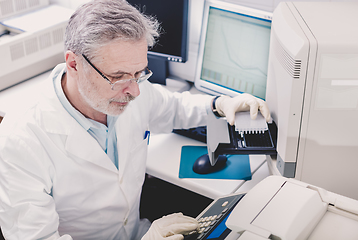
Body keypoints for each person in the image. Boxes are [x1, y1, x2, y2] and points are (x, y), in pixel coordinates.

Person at [0, 0, 270, 239]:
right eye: (118, 77)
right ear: (73, 64)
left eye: (140, 72)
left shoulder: (128, 89)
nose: (135, 90)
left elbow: (174, 107)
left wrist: (219, 103)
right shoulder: (21, 141)